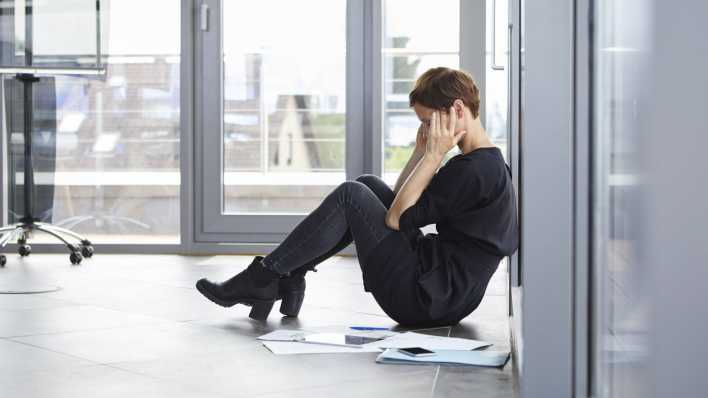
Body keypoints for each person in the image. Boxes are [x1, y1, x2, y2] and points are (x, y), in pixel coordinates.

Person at [196, 67, 519, 326]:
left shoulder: (471, 171)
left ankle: (266, 276)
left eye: (427, 121)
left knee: (353, 195)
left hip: (424, 299)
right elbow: (397, 201)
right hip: (440, 289)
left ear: (457, 109)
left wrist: (434, 157)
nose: (425, 130)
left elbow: (395, 218)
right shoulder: (484, 163)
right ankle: (289, 276)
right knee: (368, 185)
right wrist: (421, 153)